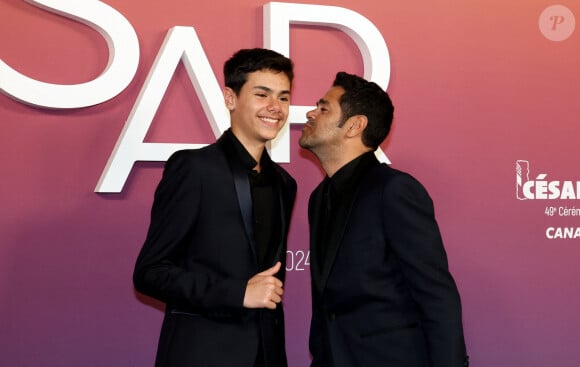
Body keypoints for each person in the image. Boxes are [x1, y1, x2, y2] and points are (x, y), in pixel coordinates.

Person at [133, 48, 296, 367]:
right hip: (202, 354)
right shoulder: (195, 168)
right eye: (262, 94)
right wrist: (238, 293)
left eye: (283, 97)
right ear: (231, 98)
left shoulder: (284, 184)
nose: (274, 108)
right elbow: (150, 273)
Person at [299, 71, 468, 367]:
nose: (311, 113)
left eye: (324, 108)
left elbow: (436, 295)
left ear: (354, 125)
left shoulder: (394, 190)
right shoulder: (319, 198)